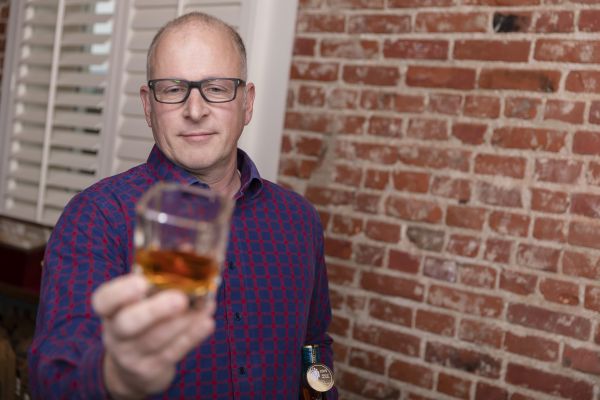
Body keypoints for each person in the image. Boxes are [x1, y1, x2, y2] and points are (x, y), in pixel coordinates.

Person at [28, 11, 336, 399]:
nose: (195, 109)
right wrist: (115, 374)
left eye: (218, 88)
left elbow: (314, 344)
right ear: (147, 105)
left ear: (248, 102)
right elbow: (52, 375)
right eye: (173, 90)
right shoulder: (97, 216)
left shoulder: (298, 219)